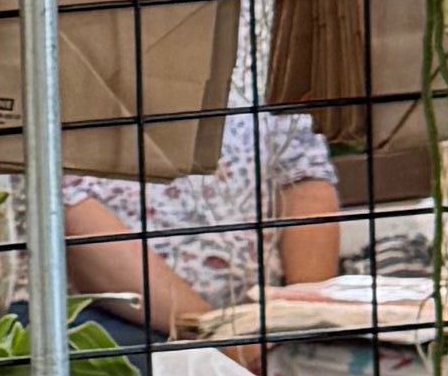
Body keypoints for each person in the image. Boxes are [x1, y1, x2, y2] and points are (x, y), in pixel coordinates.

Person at [62, 100, 344, 336]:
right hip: (119, 320)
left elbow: (304, 172)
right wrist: (223, 339)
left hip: (266, 321)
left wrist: (302, 319)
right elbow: (68, 207)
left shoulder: (256, 40)